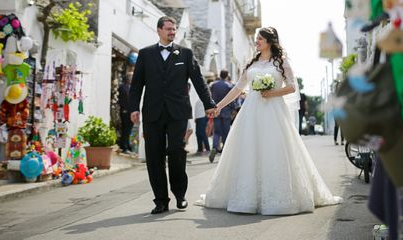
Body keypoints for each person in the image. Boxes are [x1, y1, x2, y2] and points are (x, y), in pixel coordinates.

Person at [197, 26, 342, 215]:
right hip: (251, 111)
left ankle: (278, 196)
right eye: (256, 39)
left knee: (274, 149)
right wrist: (219, 106)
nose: (256, 42)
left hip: (274, 111)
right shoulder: (251, 62)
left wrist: (272, 93)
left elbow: (291, 87)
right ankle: (246, 197)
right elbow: (238, 88)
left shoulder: (281, 62)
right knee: (248, 149)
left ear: (270, 41)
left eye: (260, 39)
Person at [129, 16, 215, 214]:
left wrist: (209, 103)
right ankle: (160, 200)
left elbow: (199, 80)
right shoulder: (145, 54)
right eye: (168, 29)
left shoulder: (185, 53)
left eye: (174, 29)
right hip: (153, 113)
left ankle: (179, 194)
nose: (172, 32)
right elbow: (136, 85)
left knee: (177, 152)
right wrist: (134, 107)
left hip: (178, 112)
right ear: (158, 30)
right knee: (154, 156)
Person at [208, 69, 234, 163]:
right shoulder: (229, 85)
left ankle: (214, 147)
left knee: (217, 132)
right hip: (226, 111)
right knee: (226, 132)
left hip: (216, 110)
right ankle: (225, 151)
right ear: (227, 75)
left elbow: (210, 96)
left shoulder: (213, 85)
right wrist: (232, 109)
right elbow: (232, 99)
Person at [117, 69, 134, 154]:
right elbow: (123, 100)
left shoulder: (131, 87)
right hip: (125, 111)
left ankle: (127, 145)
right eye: (131, 77)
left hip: (130, 111)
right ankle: (124, 146)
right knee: (125, 129)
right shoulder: (123, 87)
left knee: (128, 130)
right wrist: (124, 108)